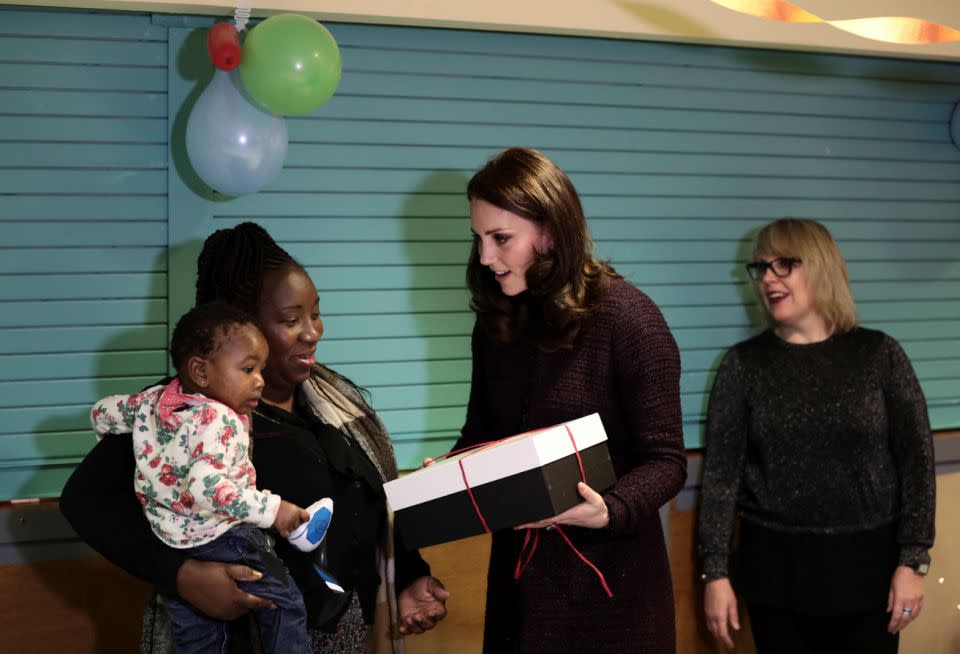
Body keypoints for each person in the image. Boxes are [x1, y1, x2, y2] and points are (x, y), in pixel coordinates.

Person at [61, 222, 449, 654]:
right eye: (290, 320)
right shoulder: (183, 412)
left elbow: (370, 503)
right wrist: (182, 575)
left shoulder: (334, 401)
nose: (313, 332)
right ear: (242, 327)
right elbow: (83, 500)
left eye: (315, 312)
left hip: (350, 637)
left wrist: (410, 577)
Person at [452, 147, 687, 653]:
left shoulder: (630, 320)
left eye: (501, 239)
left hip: (614, 599)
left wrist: (610, 508)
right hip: (519, 594)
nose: (485, 258)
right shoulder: (496, 323)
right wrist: (449, 475)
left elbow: (667, 461)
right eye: (479, 239)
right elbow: (481, 434)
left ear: (551, 232)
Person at [697, 218, 936, 654]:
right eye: (762, 267)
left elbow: (916, 463)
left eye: (784, 263)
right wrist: (715, 573)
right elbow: (720, 477)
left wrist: (913, 561)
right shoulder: (742, 366)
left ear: (822, 267)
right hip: (775, 576)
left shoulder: (880, 355)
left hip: (870, 573)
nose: (768, 277)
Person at [91, 301, 314, 653]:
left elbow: (104, 413)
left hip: (172, 541)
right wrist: (276, 510)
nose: (260, 381)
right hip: (222, 535)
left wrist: (131, 445)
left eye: (262, 369)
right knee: (284, 604)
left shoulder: (153, 401)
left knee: (199, 637)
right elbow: (207, 487)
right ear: (201, 371)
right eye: (249, 369)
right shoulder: (218, 418)